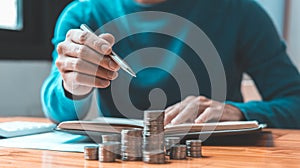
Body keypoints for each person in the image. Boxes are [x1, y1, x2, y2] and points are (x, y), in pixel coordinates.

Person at [41, 0, 300, 128]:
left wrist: (239, 114)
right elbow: (58, 113)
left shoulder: (240, 11)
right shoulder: (84, 14)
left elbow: (295, 101)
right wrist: (71, 86)